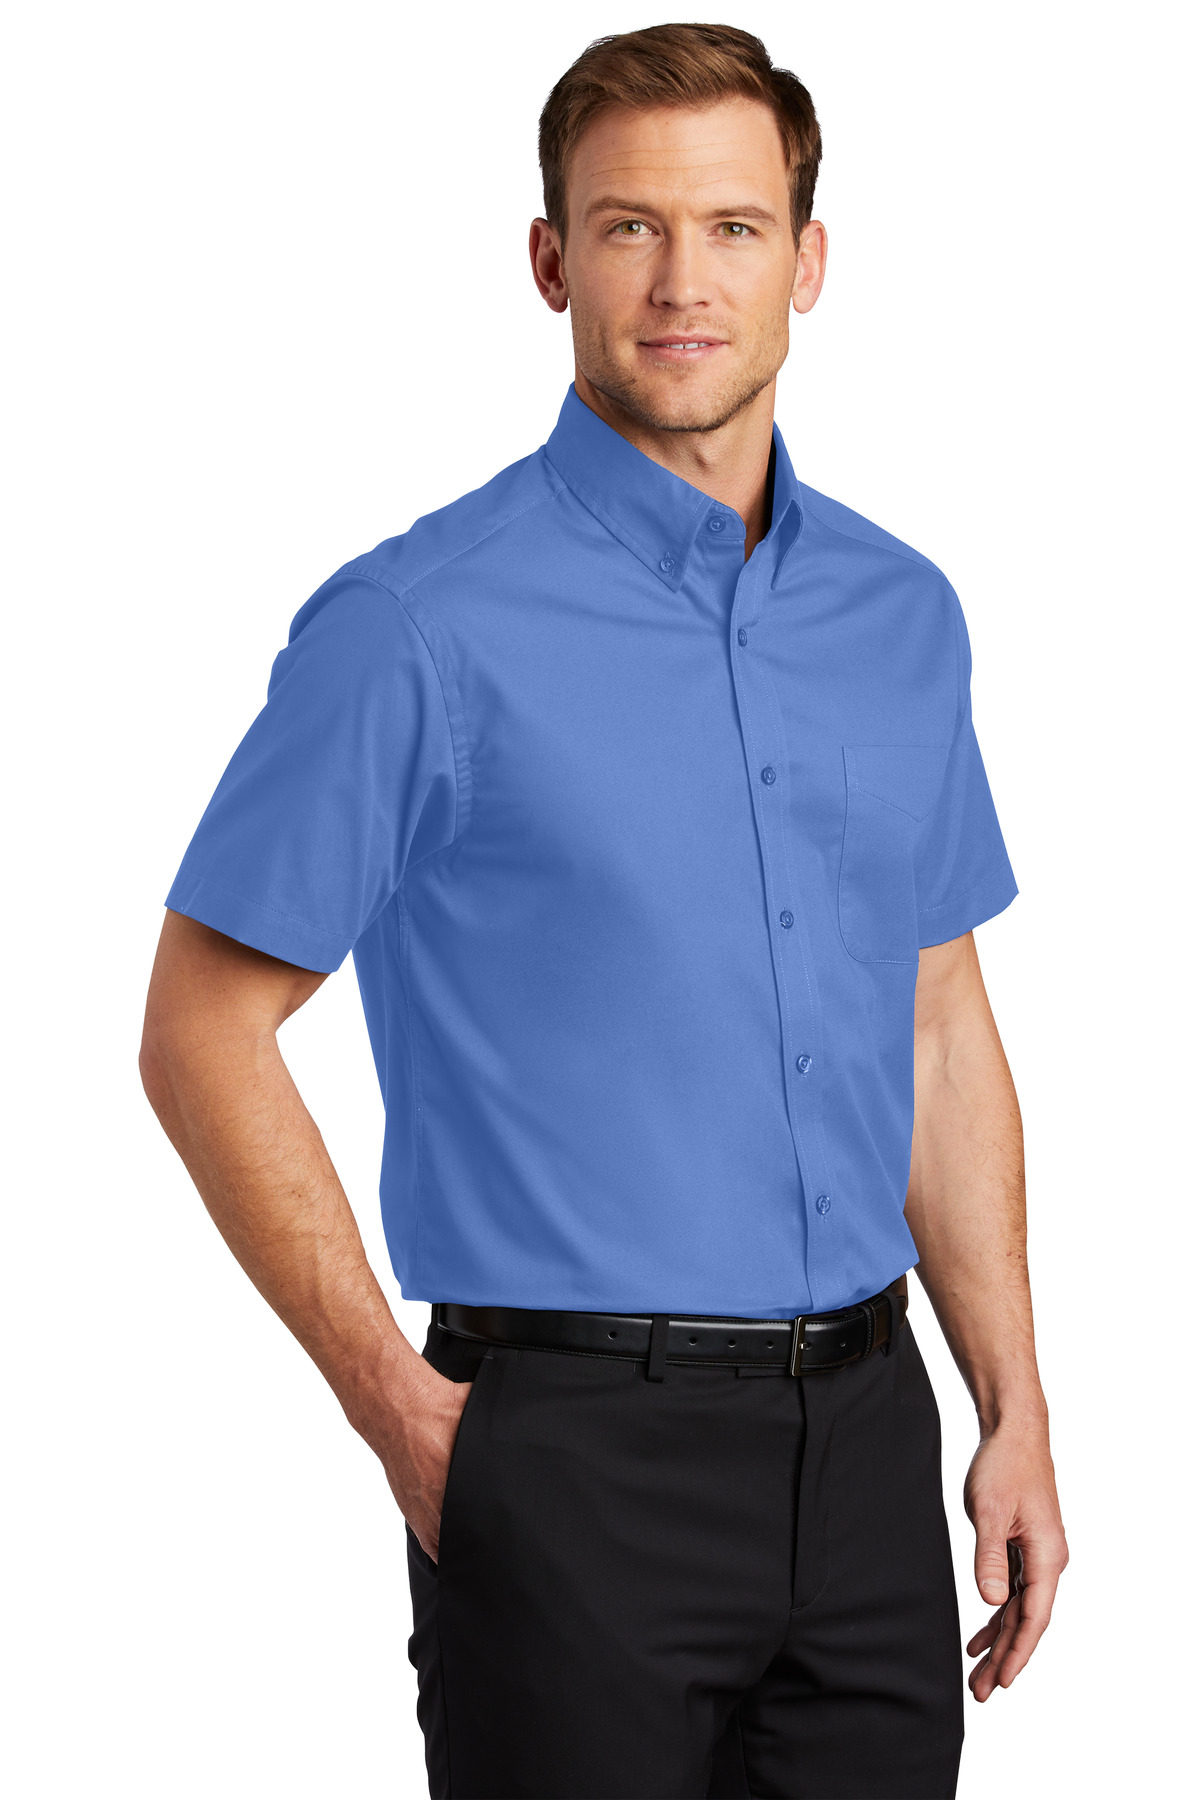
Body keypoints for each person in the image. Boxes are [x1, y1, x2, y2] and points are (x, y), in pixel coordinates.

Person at [140, 22, 1067, 1800]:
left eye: (732, 228)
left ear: (808, 261)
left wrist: (1012, 1403)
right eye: (629, 227)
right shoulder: (415, 624)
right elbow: (200, 1029)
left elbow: (939, 1018)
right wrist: (401, 1414)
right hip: (569, 1458)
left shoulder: (904, 616)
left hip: (873, 1448)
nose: (682, 281)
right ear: (552, 261)